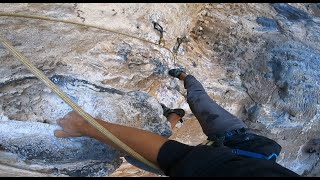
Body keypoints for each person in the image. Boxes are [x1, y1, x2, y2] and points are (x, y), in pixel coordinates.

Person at [54, 69, 300, 177]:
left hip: (239, 159)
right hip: (241, 143)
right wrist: (85, 125)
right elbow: (172, 155)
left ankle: (174, 116)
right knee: (200, 101)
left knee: (135, 157)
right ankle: (185, 76)